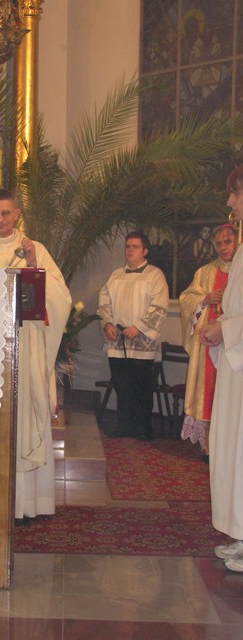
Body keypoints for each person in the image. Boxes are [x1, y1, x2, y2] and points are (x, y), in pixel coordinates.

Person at [0, 189, 72, 519]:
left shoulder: (35, 250)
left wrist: (33, 265)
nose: (1, 220)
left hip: (25, 347)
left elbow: (61, 298)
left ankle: (26, 504)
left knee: (23, 418)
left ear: (17, 213)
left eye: (6, 213)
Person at [200, 166, 243, 572]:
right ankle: (240, 535)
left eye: (235, 194)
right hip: (235, 363)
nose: (230, 202)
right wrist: (221, 327)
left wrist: (225, 328)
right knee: (232, 448)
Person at [97, 230, 169, 440]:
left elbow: (159, 306)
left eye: (135, 247)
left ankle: (143, 429)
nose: (130, 250)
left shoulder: (155, 275)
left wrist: (138, 327)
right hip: (118, 340)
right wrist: (108, 324)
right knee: (122, 386)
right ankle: (124, 426)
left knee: (141, 388)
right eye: (128, 246)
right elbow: (104, 303)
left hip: (141, 341)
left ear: (145, 251)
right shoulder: (116, 275)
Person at [179, 224, 238, 455]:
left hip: (233, 345)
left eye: (228, 241)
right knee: (209, 395)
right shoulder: (205, 273)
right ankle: (209, 449)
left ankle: (228, 450)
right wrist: (205, 299)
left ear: (238, 241)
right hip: (208, 346)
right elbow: (186, 300)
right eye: (219, 243)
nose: (223, 247)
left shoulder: (241, 271)